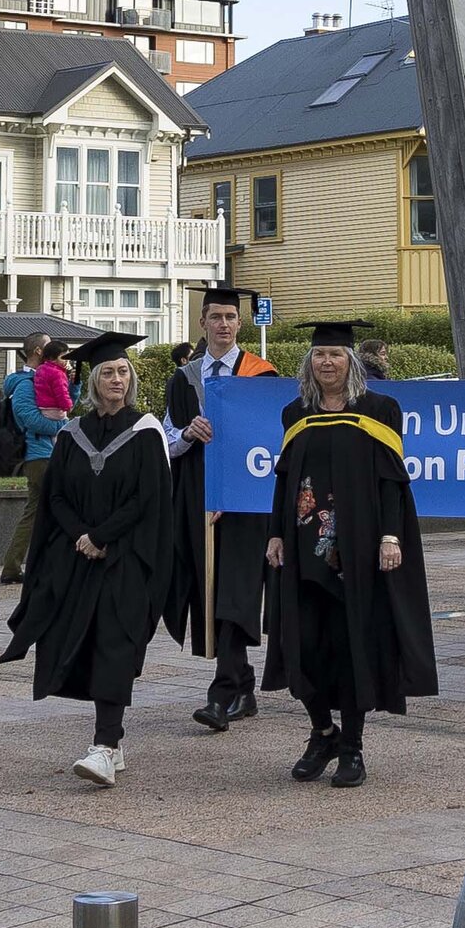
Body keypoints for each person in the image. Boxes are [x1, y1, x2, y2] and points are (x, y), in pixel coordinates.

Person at [261, 323, 437, 786]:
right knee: (301, 645)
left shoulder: (380, 409)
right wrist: (276, 533)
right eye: (319, 355)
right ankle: (322, 732)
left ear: (351, 361)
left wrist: (391, 537)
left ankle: (352, 749)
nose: (327, 363)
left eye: (336, 355)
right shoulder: (295, 413)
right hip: (303, 548)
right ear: (309, 363)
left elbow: (393, 481)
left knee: (352, 646)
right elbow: (284, 482)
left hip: (357, 552)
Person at [2, 350, 177, 787]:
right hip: (79, 556)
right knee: (87, 642)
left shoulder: (145, 431)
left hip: (127, 557)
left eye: (123, 372)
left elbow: (148, 498)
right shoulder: (72, 434)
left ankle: (104, 744)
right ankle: (112, 746)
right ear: (94, 381)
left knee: (115, 643)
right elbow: (56, 495)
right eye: (108, 373)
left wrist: (103, 537)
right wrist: (82, 534)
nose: (117, 379)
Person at [161, 283, 275, 732]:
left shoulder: (262, 377)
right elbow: (168, 443)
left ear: (239, 324)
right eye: (215, 318)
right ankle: (242, 683)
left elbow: (270, 442)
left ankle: (222, 692)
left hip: (246, 502)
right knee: (209, 591)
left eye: (230, 318)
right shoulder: (184, 378)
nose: (223, 325)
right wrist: (188, 433)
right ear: (202, 323)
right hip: (197, 497)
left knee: (236, 589)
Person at [0, 332, 73, 583]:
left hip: (46, 453)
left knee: (38, 510)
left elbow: (65, 402)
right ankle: (20, 566)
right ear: (40, 352)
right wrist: (64, 426)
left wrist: (73, 380)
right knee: (47, 509)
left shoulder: (45, 378)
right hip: (39, 454)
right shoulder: (24, 384)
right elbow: (29, 418)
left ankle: (16, 566)